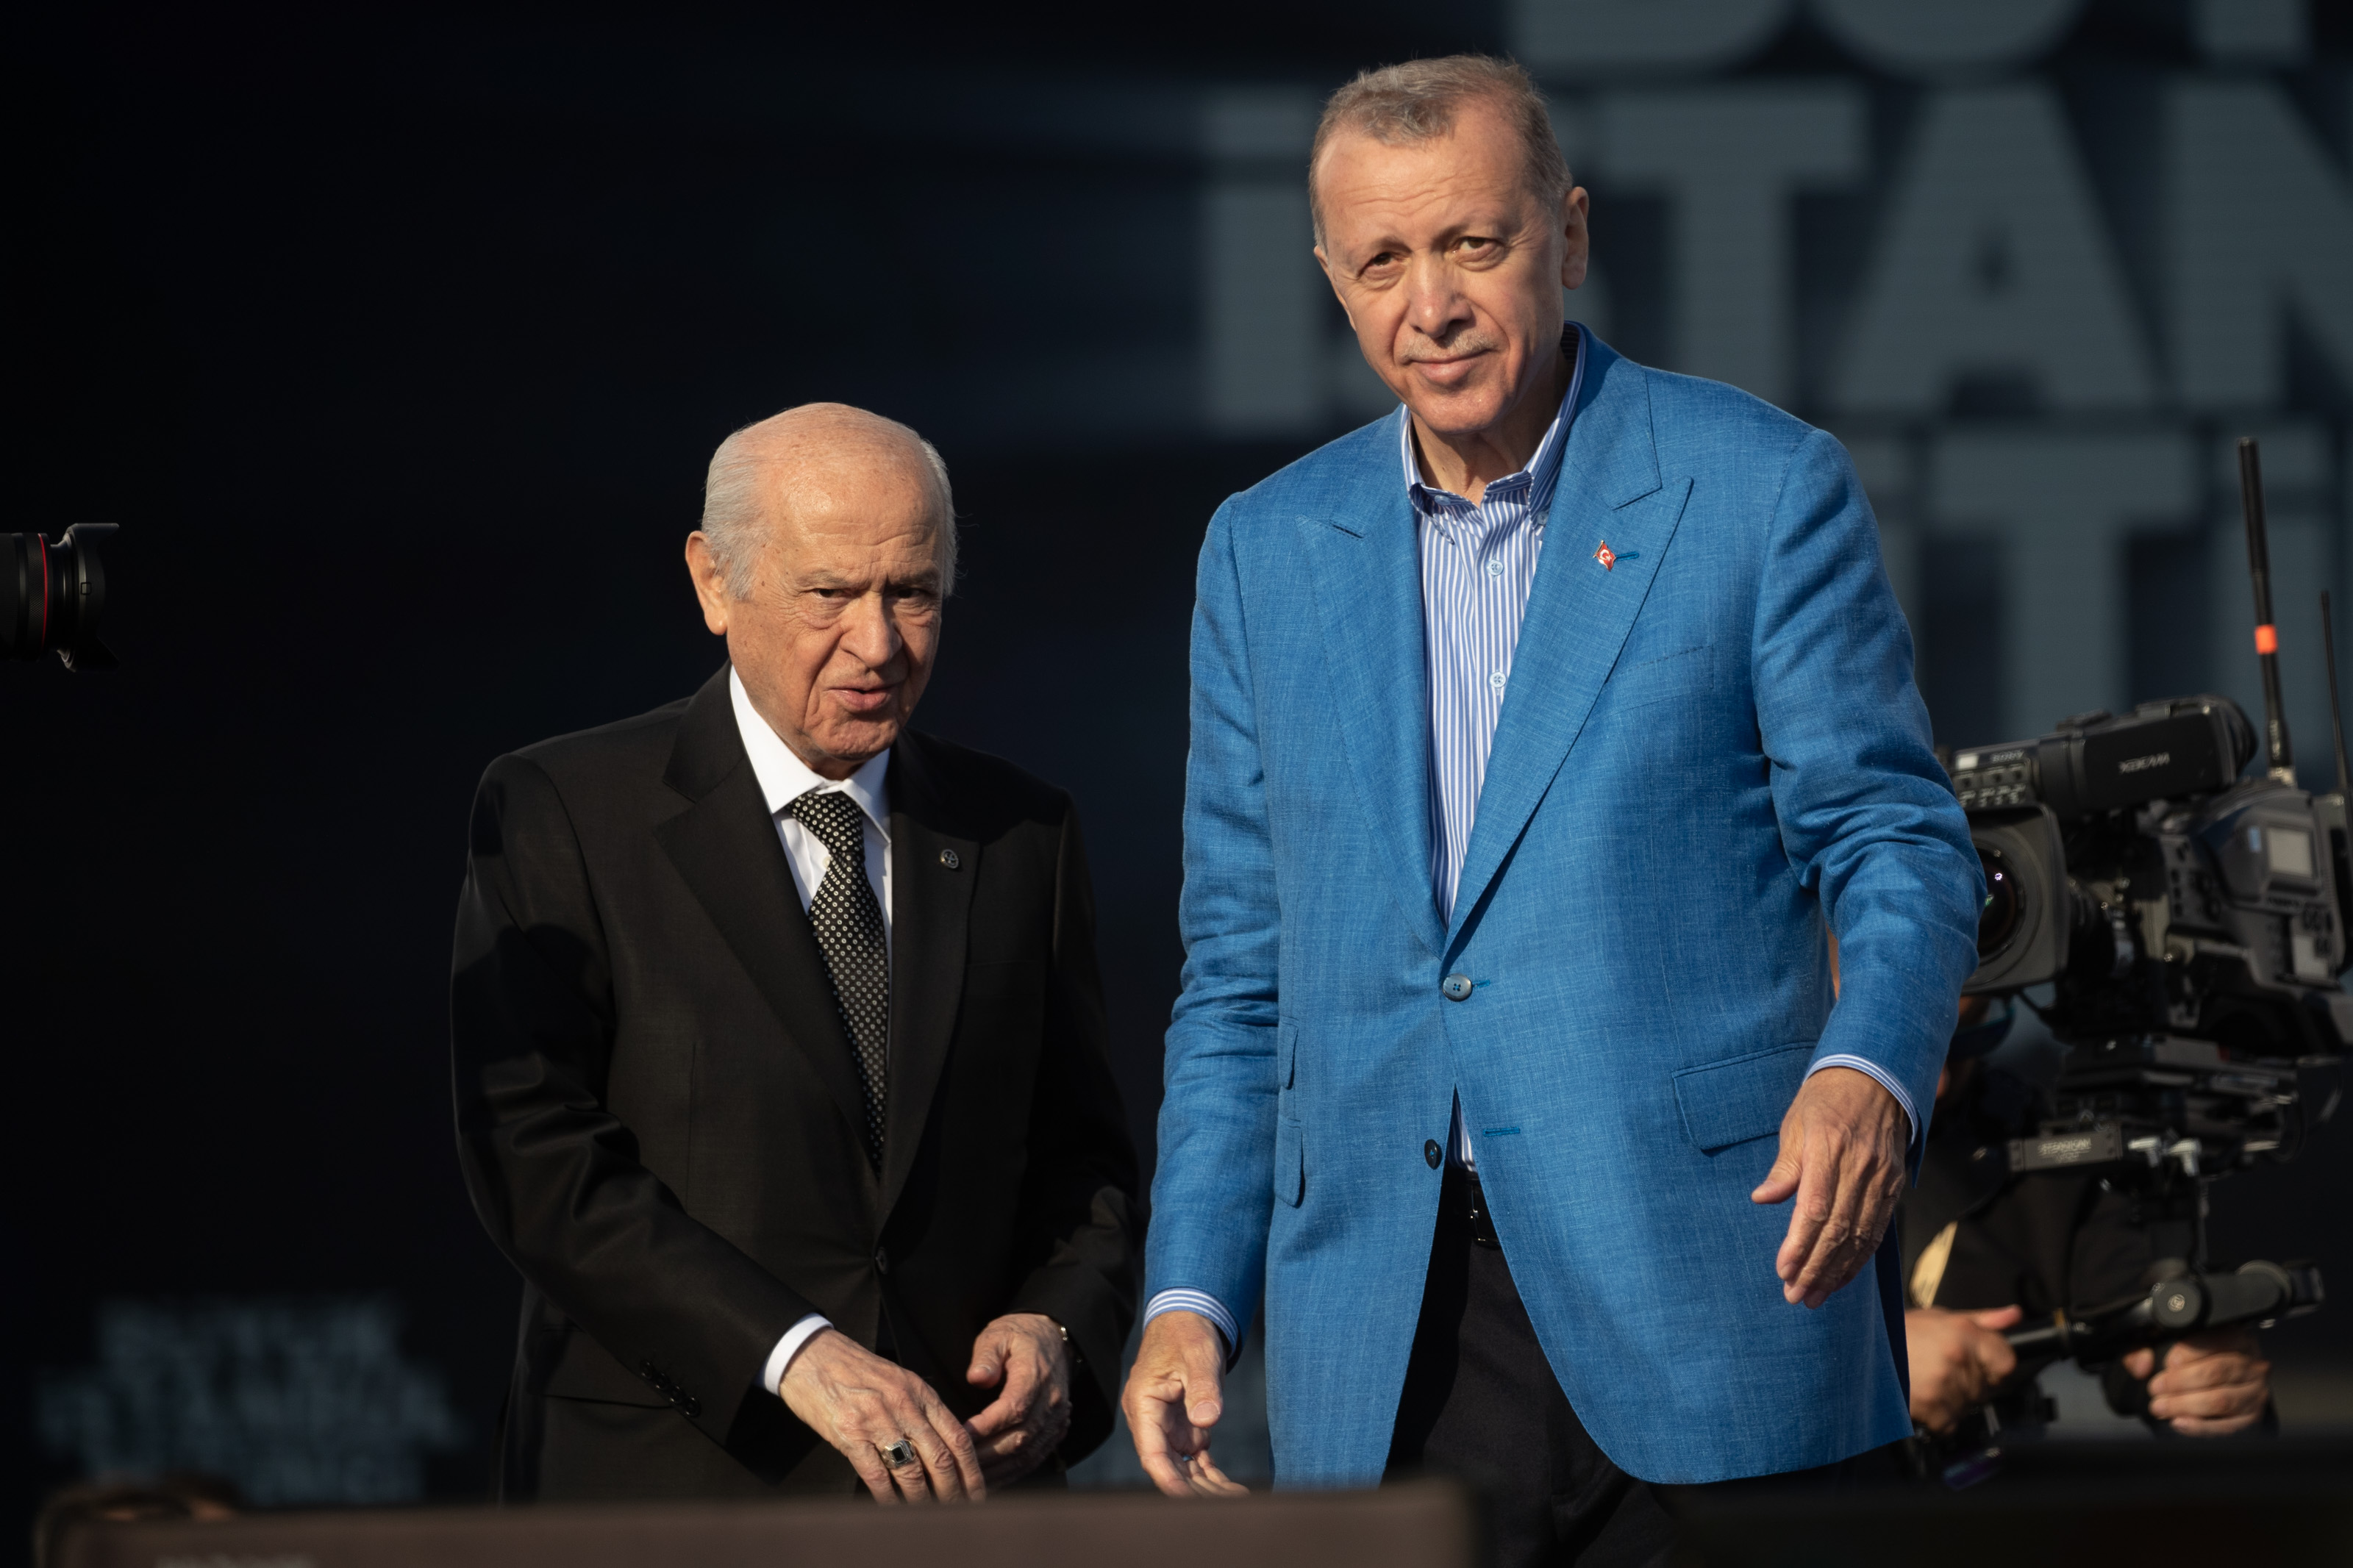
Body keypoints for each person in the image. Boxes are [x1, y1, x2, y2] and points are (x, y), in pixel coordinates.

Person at [1124, 55, 1980, 1563]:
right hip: (1384, 1348)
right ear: (1331, 276)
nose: (1429, 304)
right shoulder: (1261, 552)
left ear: (1567, 237)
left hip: (1718, 1301)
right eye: (1381, 259)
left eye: (1473, 242)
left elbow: (1896, 837)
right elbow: (1240, 975)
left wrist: (1868, 1072)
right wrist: (1191, 1294)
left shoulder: (1758, 487)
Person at [451, 404, 1139, 1503]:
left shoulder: (1020, 835)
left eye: (911, 593)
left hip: (959, 1504)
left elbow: (1086, 1167)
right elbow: (540, 1162)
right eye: (830, 594)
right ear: (715, 583)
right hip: (670, 1496)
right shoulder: (566, 813)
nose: (879, 644)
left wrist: (1056, 1322)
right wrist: (788, 1348)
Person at [1903, 1000, 2274, 1442]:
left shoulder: (2046, 1150)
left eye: (1966, 1036)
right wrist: (1863, 1366)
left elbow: (2149, 1329)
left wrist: (2210, 1383)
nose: (1938, 1083)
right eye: (1888, 1031)